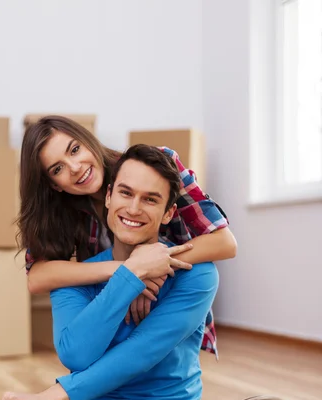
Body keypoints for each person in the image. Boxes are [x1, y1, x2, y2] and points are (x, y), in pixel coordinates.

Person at [0, 145, 318, 400]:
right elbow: (77, 354)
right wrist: (128, 278)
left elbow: (142, 352)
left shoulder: (197, 274)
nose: (134, 208)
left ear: (167, 213)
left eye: (151, 200)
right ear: (109, 196)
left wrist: (56, 396)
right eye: (126, 193)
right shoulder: (78, 276)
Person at [18, 115, 237, 351]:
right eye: (57, 168)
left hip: (168, 303)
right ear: (54, 184)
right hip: (113, 318)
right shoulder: (60, 210)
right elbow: (37, 278)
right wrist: (132, 271)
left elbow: (225, 242)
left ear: (88, 140)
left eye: (74, 150)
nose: (75, 167)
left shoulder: (157, 165)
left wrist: (155, 268)